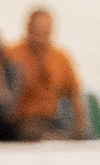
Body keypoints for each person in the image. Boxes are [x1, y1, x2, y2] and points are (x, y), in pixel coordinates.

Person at [10, 8, 90, 141]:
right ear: (29, 28)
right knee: (33, 131)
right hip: (22, 121)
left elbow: (75, 93)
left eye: (45, 31)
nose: (41, 36)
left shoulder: (60, 57)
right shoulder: (13, 54)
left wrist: (81, 129)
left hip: (52, 119)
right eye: (37, 31)